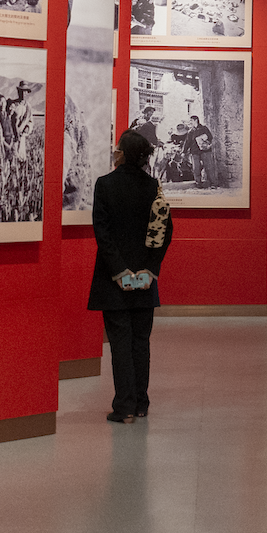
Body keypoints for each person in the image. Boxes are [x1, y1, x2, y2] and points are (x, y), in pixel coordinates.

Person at [89, 129, 173, 424]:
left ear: (122, 153)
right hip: (144, 279)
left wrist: (119, 270)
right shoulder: (153, 187)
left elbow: (102, 232)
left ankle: (123, 406)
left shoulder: (105, 184)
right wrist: (150, 269)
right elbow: (164, 232)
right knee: (140, 341)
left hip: (115, 280)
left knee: (120, 343)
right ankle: (140, 402)